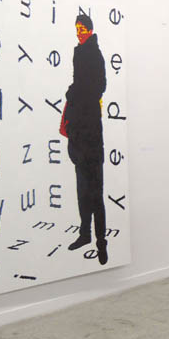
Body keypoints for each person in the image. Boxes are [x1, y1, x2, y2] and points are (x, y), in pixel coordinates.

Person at [64, 14, 108, 265]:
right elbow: (81, 84)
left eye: (82, 29)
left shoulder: (93, 54)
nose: (78, 33)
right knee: (83, 190)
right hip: (79, 136)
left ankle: (101, 241)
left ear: (89, 30)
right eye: (77, 29)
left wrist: (74, 93)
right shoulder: (79, 53)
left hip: (90, 136)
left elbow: (97, 86)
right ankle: (85, 234)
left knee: (95, 192)